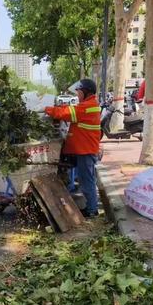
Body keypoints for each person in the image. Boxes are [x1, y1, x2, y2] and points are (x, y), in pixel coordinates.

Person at [44, 78, 101, 218]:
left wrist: (46, 108)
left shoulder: (88, 106)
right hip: (84, 149)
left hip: (86, 150)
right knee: (85, 179)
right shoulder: (87, 104)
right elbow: (69, 111)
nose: (77, 95)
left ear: (86, 92)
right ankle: (91, 207)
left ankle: (92, 210)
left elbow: (66, 113)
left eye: (79, 92)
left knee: (87, 180)